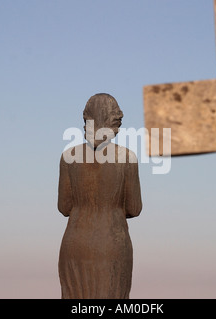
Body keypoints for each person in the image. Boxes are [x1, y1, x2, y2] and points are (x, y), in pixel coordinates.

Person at [57, 93, 142, 299]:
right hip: (112, 244)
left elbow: (64, 207)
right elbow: (134, 208)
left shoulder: (69, 157)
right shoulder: (127, 158)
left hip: (76, 243)